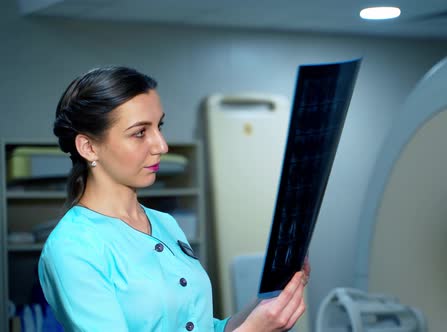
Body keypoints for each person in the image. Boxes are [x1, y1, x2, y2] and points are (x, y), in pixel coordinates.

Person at [38, 66, 310, 332]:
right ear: (88, 147)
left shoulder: (165, 223)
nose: (162, 145)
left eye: (159, 126)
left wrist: (267, 305)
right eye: (140, 132)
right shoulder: (72, 247)